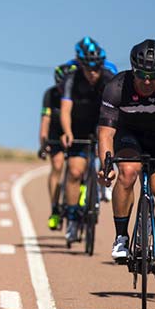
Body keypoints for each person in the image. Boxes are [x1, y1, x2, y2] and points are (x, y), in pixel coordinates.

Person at [98, 40, 155, 280]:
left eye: (153, 75)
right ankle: (121, 237)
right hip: (130, 137)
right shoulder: (116, 87)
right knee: (128, 173)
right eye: (141, 75)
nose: (147, 81)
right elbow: (106, 133)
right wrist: (106, 166)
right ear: (133, 70)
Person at [59, 37, 116, 243]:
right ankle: (73, 220)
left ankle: (105, 180)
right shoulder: (72, 80)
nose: (93, 73)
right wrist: (67, 132)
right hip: (79, 126)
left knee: (107, 148)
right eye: (88, 68)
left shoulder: (109, 78)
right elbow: (65, 109)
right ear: (81, 65)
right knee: (74, 172)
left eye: (97, 68)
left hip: (102, 124)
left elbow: (118, 109)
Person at [39, 63, 77, 230]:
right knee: (57, 165)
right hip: (55, 133)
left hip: (76, 132)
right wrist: (43, 143)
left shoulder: (79, 94)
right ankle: (55, 208)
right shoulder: (50, 94)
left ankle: (82, 190)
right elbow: (45, 122)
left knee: (78, 167)